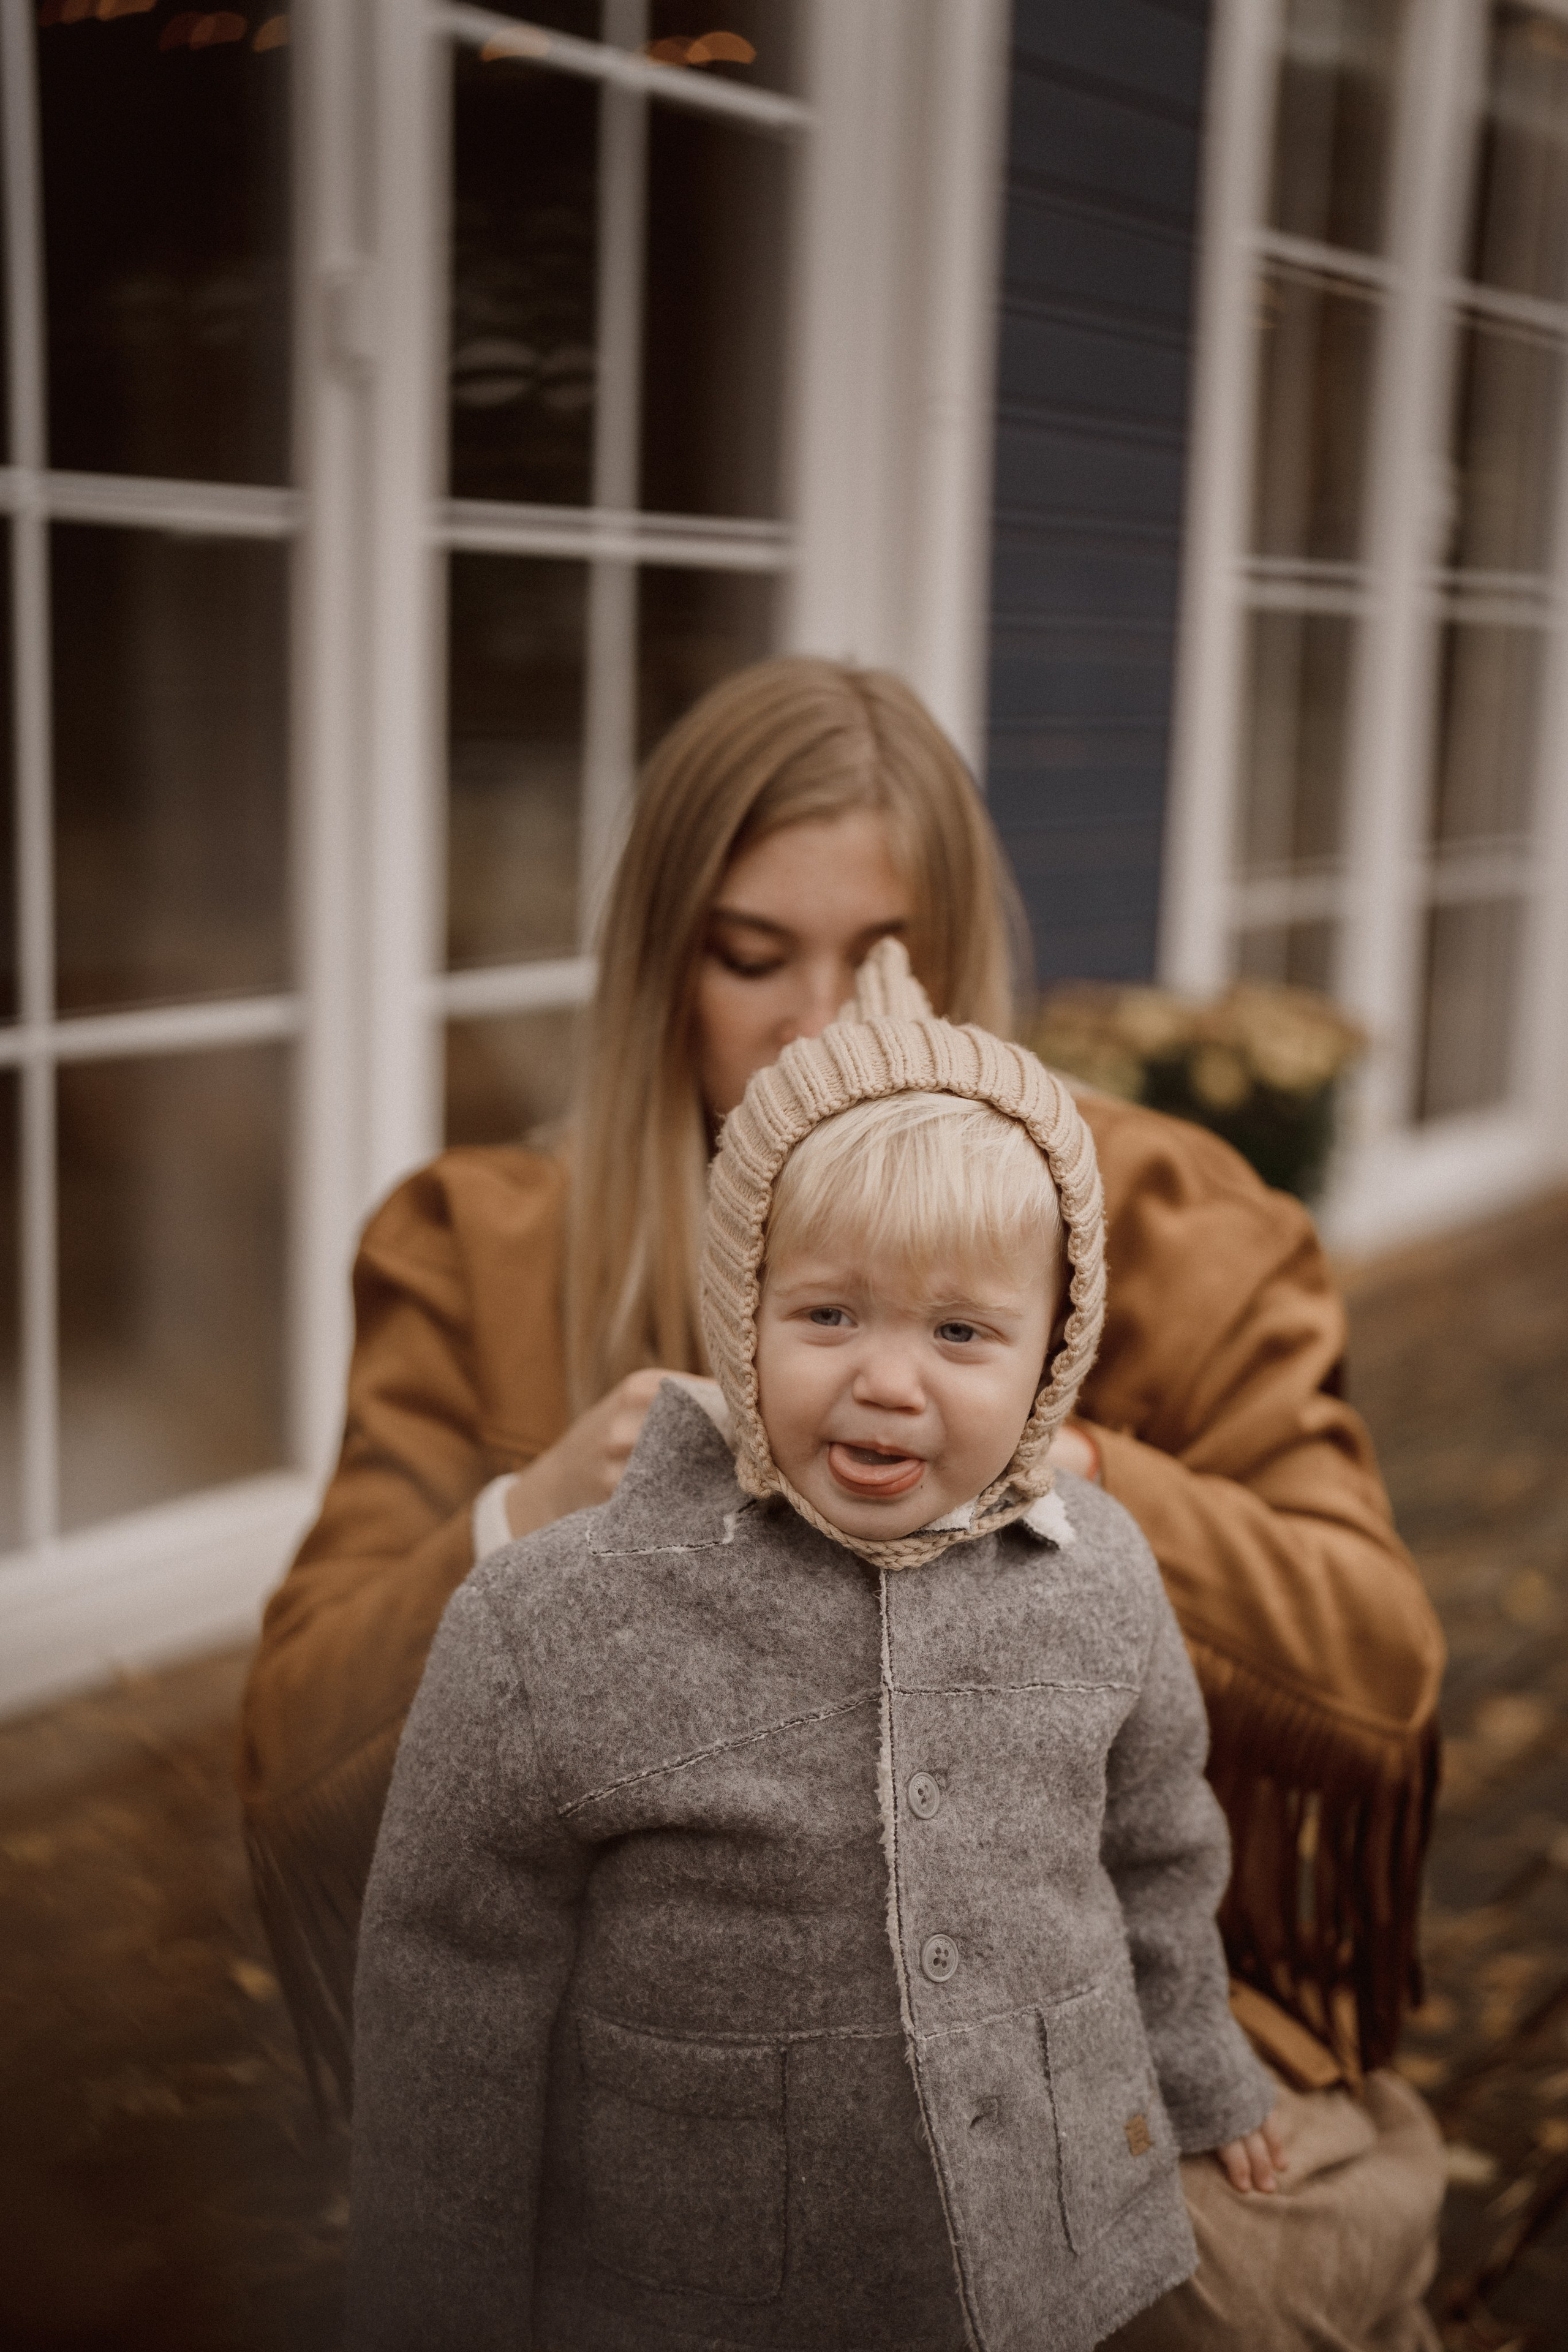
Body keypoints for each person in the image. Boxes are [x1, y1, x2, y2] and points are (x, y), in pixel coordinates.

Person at [240, 657, 1447, 2347]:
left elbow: (1375, 1655)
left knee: (1231, 2290)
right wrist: (520, 1511)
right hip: (664, 2091)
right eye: (751, 958)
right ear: (661, 970)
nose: (821, 1024)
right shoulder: (485, 1246)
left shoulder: (1162, 1211)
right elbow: (299, 1751)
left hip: (1071, 2007)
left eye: (884, 957)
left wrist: (1050, 1456)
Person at [346, 951, 1281, 2352]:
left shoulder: (1096, 1575)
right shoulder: (556, 1622)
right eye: (828, 1313)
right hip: (706, 2284)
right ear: (744, 1312)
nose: (886, 1379)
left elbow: (1155, 1848)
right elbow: (449, 1987)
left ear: (1052, 1355)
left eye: (960, 1331)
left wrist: (1199, 2068)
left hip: (1048, 2242)